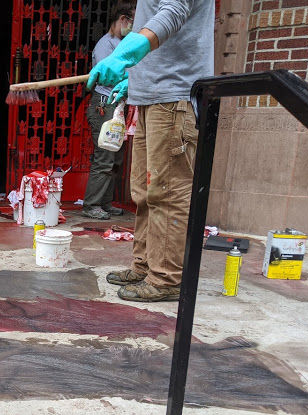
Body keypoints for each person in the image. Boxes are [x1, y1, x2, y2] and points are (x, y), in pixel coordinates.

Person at [87, 0, 214, 302]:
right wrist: (134, 79)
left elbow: (173, 13)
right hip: (152, 98)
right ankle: (146, 266)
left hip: (172, 96)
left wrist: (127, 52)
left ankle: (167, 277)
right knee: (145, 193)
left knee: (167, 193)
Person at [82, 1, 136, 221]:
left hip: (118, 106)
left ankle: (104, 202)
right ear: (123, 20)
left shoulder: (122, 45)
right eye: (133, 21)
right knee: (104, 157)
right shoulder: (106, 45)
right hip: (104, 104)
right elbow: (110, 75)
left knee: (116, 158)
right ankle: (91, 204)